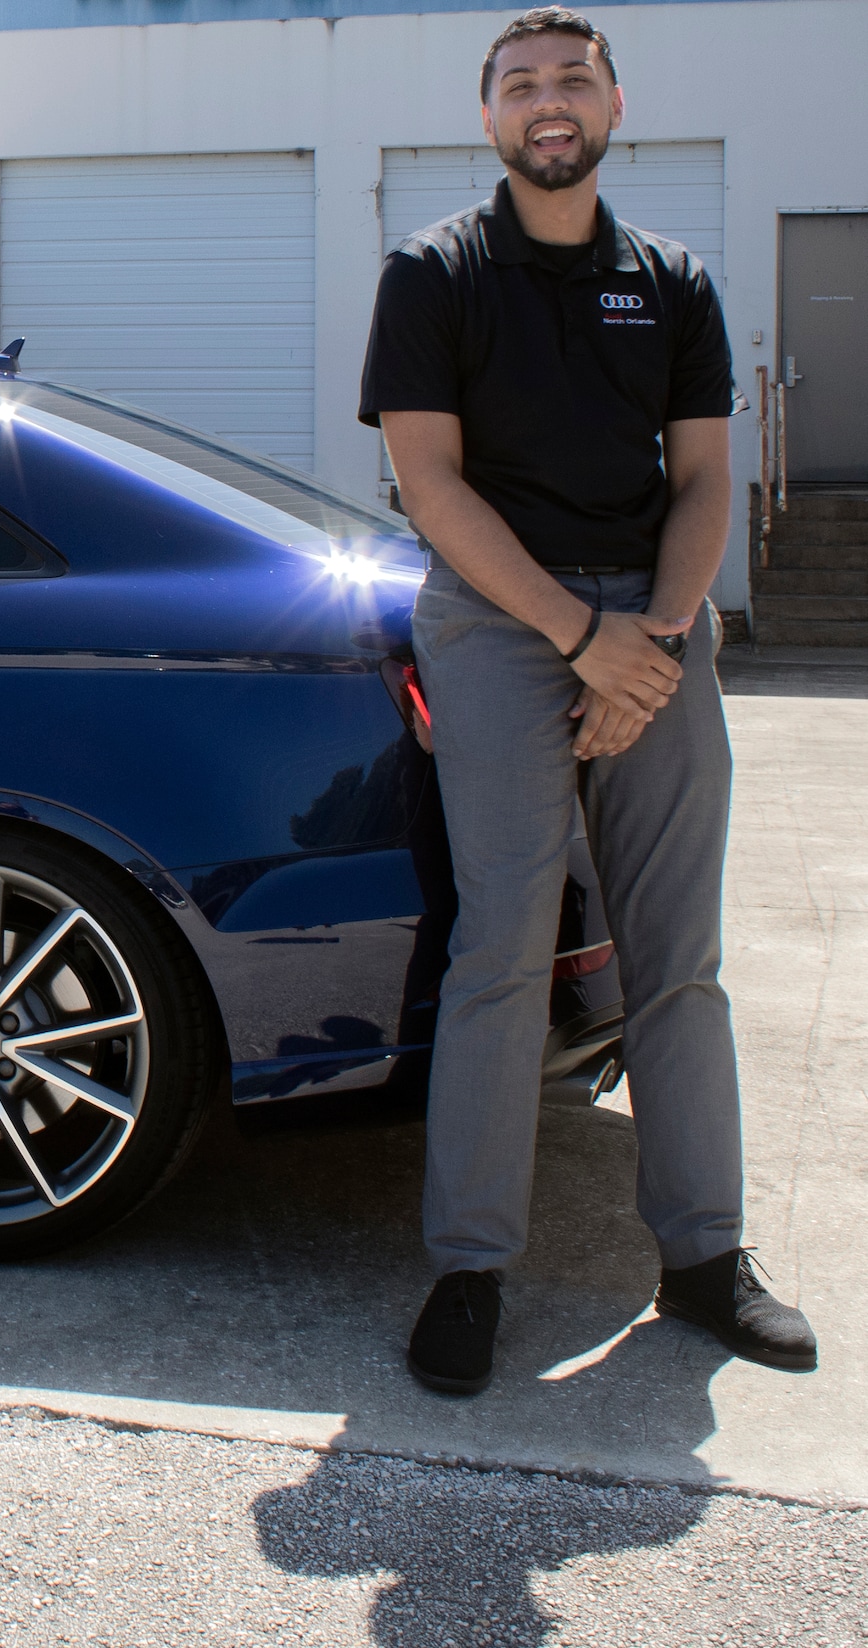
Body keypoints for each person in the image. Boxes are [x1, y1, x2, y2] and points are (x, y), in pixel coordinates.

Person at [360, 5, 817, 1394]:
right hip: (501, 622)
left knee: (678, 955)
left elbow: (701, 482)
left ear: (615, 105)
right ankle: (473, 1264)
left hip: (653, 616)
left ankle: (701, 1257)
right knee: (502, 943)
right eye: (520, 85)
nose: (547, 102)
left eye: (572, 79)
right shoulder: (433, 273)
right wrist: (582, 642)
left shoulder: (673, 280)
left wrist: (657, 640)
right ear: (489, 117)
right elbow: (429, 486)